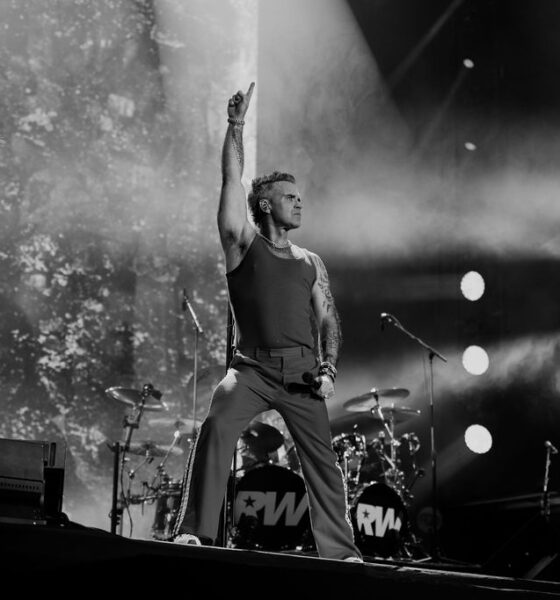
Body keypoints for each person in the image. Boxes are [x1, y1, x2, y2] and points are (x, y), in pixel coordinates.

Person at [170, 82, 363, 563]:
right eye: (289, 197)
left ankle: (341, 553)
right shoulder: (241, 243)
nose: (299, 203)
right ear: (264, 205)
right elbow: (231, 179)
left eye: (300, 197)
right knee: (216, 427)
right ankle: (195, 533)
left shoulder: (312, 262)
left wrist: (328, 369)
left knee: (323, 461)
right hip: (251, 370)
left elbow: (329, 319)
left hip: (301, 373)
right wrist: (235, 126)